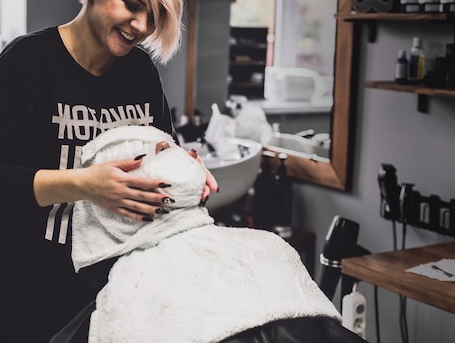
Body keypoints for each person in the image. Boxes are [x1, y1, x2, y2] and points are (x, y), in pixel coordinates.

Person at [0, 0, 217, 342]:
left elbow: (159, 153)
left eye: (154, 14)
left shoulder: (140, 73)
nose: (142, 26)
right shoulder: (28, 63)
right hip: (27, 290)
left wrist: (187, 172)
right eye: (132, 6)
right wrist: (87, 185)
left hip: (113, 291)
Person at [50, 125, 366, 343]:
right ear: (120, 191)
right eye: (164, 150)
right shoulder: (136, 288)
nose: (190, 154)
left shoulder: (268, 246)